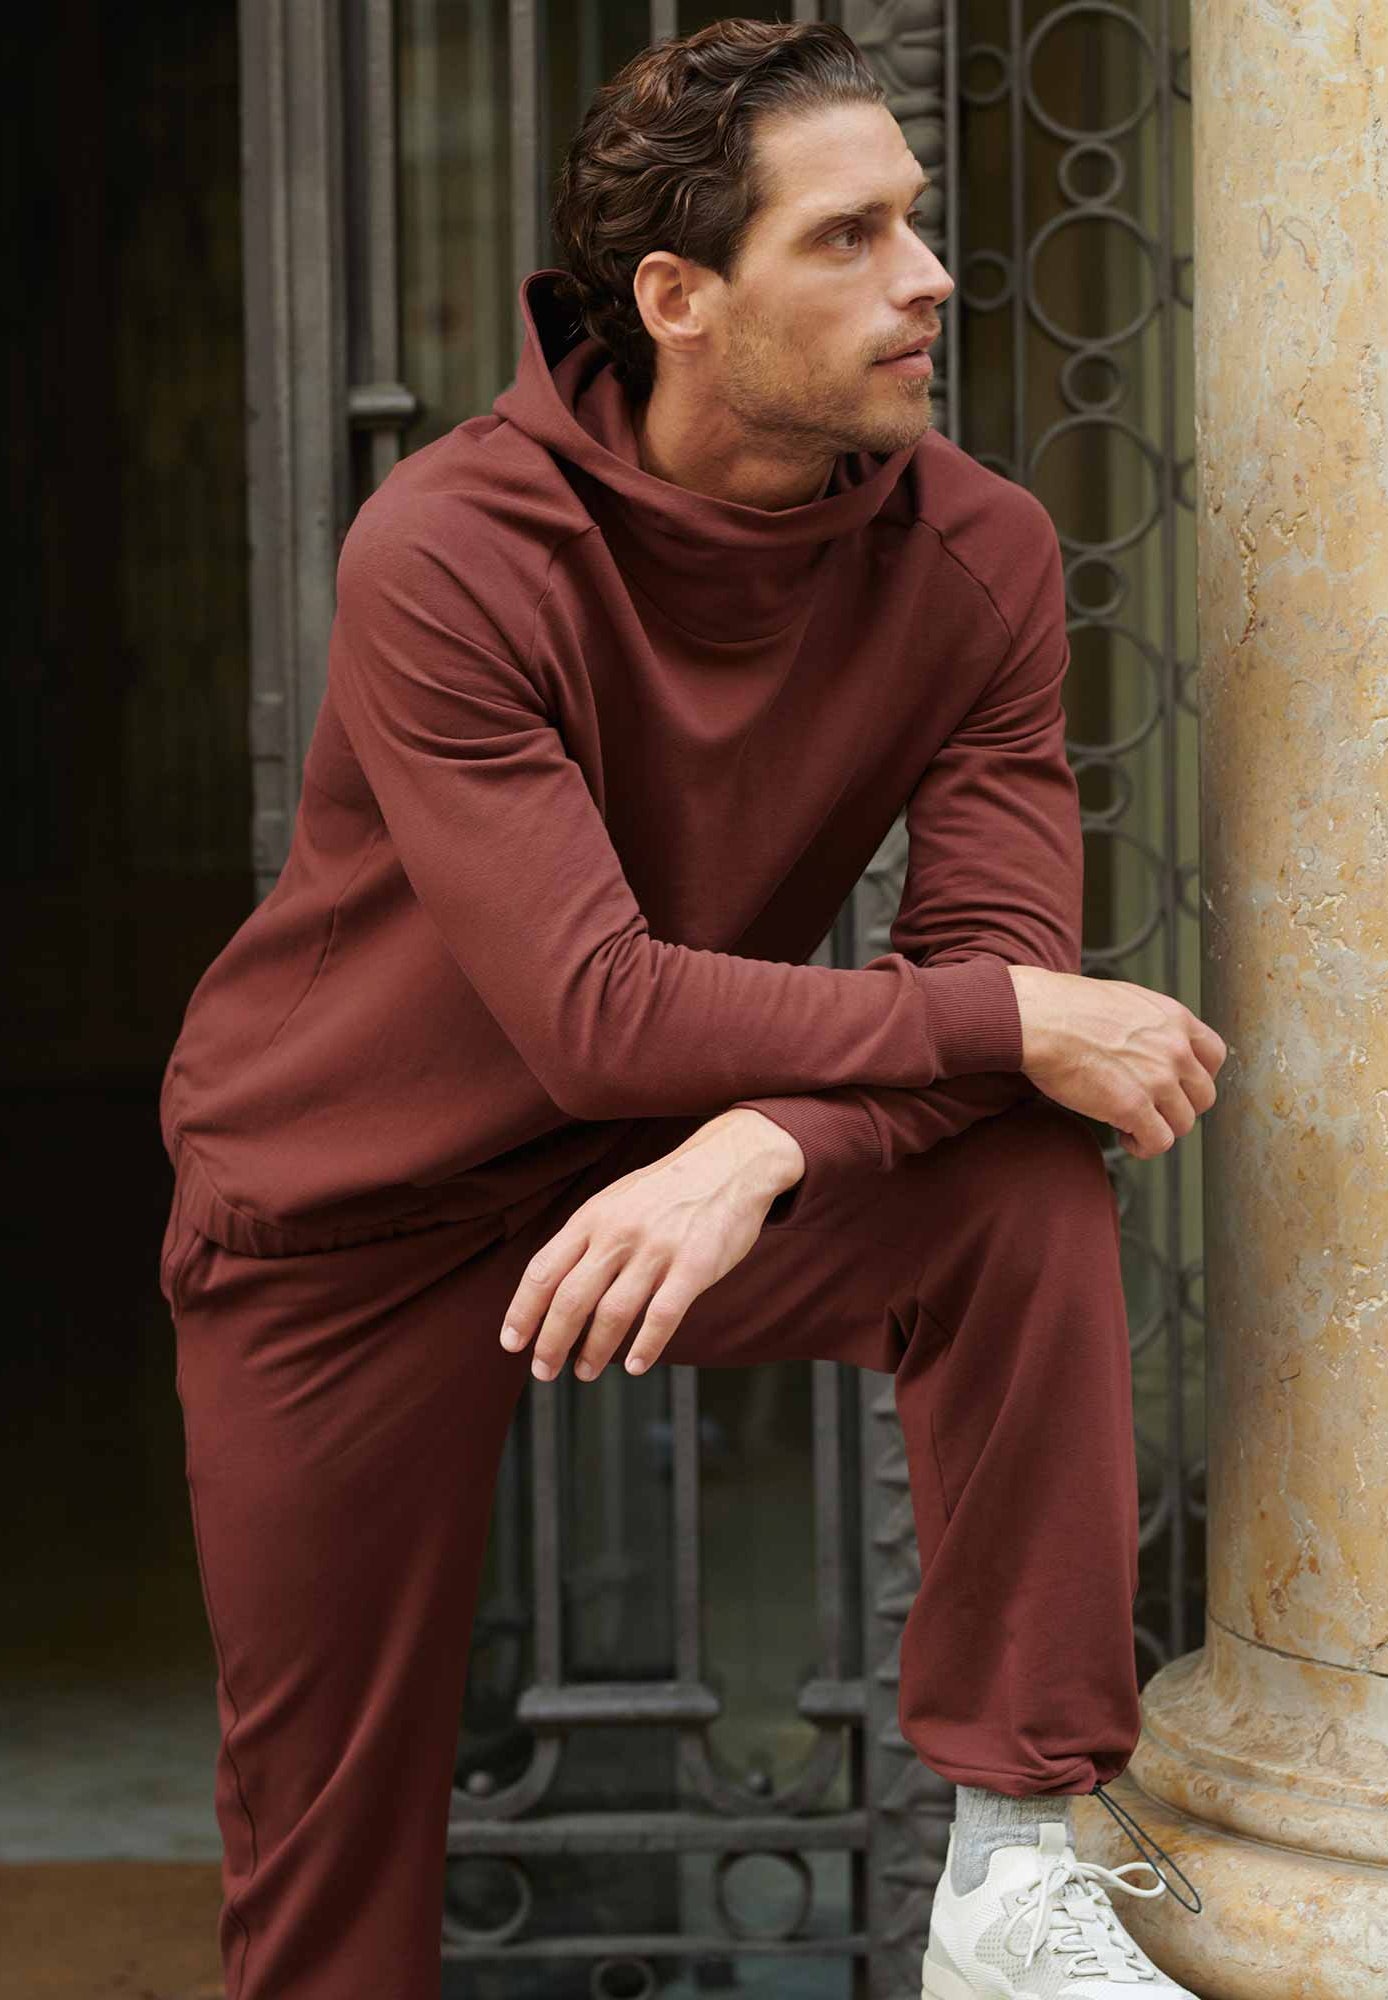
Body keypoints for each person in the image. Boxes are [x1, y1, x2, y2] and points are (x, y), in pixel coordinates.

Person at [157, 18, 1223, 1999]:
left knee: (1013, 1194)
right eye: (848, 236)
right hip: (343, 1215)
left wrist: (762, 1142)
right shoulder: (453, 548)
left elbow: (983, 952)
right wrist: (1003, 1022)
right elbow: (596, 1004)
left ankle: (1011, 1867)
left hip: (666, 1147)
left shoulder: (975, 552)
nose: (927, 276)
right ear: (678, 298)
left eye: (916, 222)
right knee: (324, 1876)